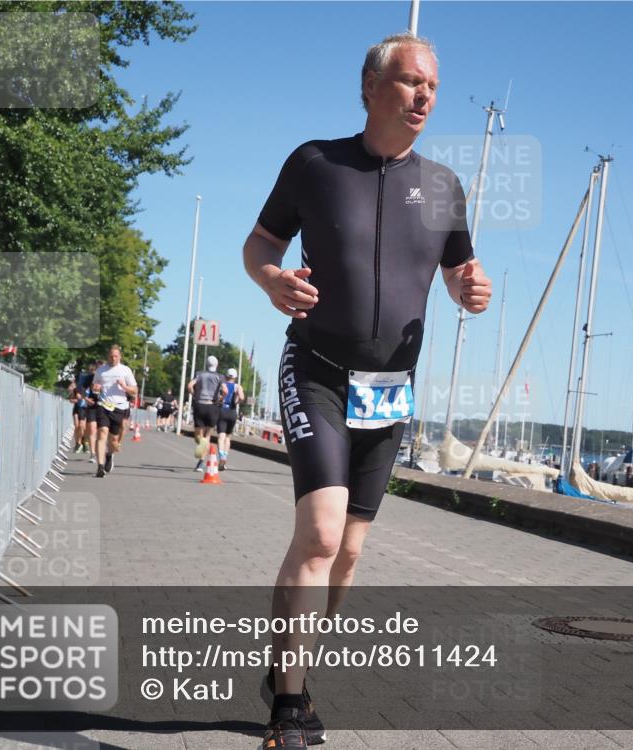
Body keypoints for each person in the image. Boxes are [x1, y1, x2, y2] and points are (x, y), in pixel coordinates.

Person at [243, 32, 491, 749]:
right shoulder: (315, 164)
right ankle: (289, 709)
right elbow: (260, 245)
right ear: (371, 86)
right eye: (411, 81)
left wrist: (471, 290)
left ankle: (290, 668)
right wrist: (271, 281)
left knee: (347, 554)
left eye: (433, 87)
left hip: (389, 391)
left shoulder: (444, 186)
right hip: (317, 369)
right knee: (319, 533)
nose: (424, 96)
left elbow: (459, 273)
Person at [91, 345, 137, 478]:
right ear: (108, 356)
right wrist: (96, 388)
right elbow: (94, 387)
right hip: (103, 405)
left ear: (120, 357)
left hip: (119, 407)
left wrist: (124, 386)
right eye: (111, 356)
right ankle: (100, 467)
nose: (113, 358)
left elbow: (135, 390)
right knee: (102, 433)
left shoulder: (125, 370)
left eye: (116, 356)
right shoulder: (101, 370)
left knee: (113, 439)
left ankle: (109, 455)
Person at [188, 355, 224, 471]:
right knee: (207, 435)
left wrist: (194, 394)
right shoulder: (220, 377)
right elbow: (225, 390)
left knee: (198, 435)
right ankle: (201, 463)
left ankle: (201, 447)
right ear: (216, 365)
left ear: (206, 364)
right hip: (213, 406)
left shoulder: (199, 374)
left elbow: (189, 385)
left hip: (200, 404)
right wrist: (221, 398)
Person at [216, 368, 245, 470]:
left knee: (221, 436)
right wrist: (236, 401)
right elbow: (242, 397)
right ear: (236, 377)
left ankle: (221, 456)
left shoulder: (222, 384)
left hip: (222, 410)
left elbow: (219, 396)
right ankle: (225, 458)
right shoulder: (237, 386)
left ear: (226, 376)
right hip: (232, 412)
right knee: (228, 437)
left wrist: (221, 400)